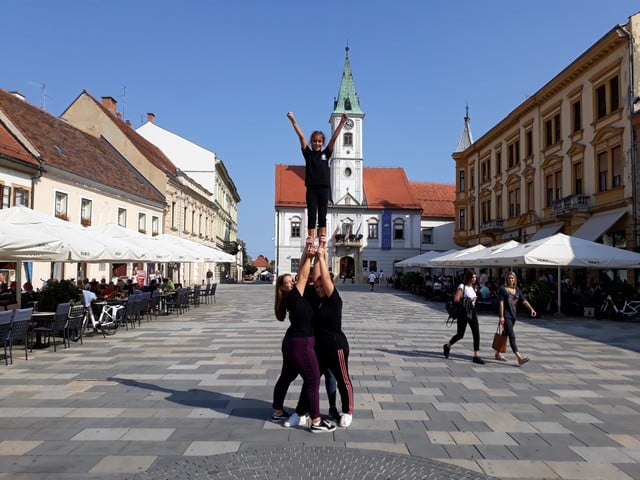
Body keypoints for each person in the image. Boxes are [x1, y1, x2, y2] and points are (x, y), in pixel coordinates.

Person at [271, 244, 336, 433]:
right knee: (314, 380)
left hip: (291, 342)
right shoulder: (293, 297)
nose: (292, 283)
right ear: (283, 288)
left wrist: (312, 256)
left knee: (286, 376)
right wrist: (308, 255)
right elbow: (304, 275)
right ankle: (316, 421)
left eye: (293, 281)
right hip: (301, 343)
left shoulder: (292, 298)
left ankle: (277, 410)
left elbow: (306, 276)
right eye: (289, 282)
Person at [287, 111, 348, 248]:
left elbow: (334, 138)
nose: (317, 143)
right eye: (314, 141)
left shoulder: (326, 154)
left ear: (322, 143)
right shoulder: (308, 154)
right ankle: (311, 238)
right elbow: (301, 136)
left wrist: (342, 122)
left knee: (322, 214)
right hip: (311, 188)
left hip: (324, 188)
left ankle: (322, 239)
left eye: (319, 141)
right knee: (312, 214)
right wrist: (292, 119)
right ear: (312, 142)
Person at [310, 246, 354, 427]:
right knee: (314, 379)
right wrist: (313, 257)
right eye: (317, 287)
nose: (319, 289)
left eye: (322, 286)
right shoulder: (315, 299)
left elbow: (325, 278)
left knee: (342, 378)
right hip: (319, 347)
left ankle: (348, 410)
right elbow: (315, 278)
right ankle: (307, 409)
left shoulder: (335, 300)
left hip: (337, 346)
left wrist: (322, 257)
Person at [443, 269, 485, 364]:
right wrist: (469, 300)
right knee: (460, 334)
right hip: (463, 312)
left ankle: (476, 355)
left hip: (472, 311)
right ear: (468, 277)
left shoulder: (474, 287)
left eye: (475, 277)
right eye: (472, 277)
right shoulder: (462, 286)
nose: (474, 279)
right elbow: (456, 299)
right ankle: (448, 345)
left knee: (476, 333)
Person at [496, 271, 536, 365]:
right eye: (509, 278)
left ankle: (498, 353)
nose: (511, 279)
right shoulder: (503, 289)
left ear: (515, 279)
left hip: (513, 316)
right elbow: (501, 303)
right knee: (512, 335)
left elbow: (524, 300)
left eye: (512, 278)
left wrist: (531, 309)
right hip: (506, 316)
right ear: (506, 279)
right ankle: (519, 357)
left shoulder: (517, 290)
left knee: (505, 334)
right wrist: (501, 316)